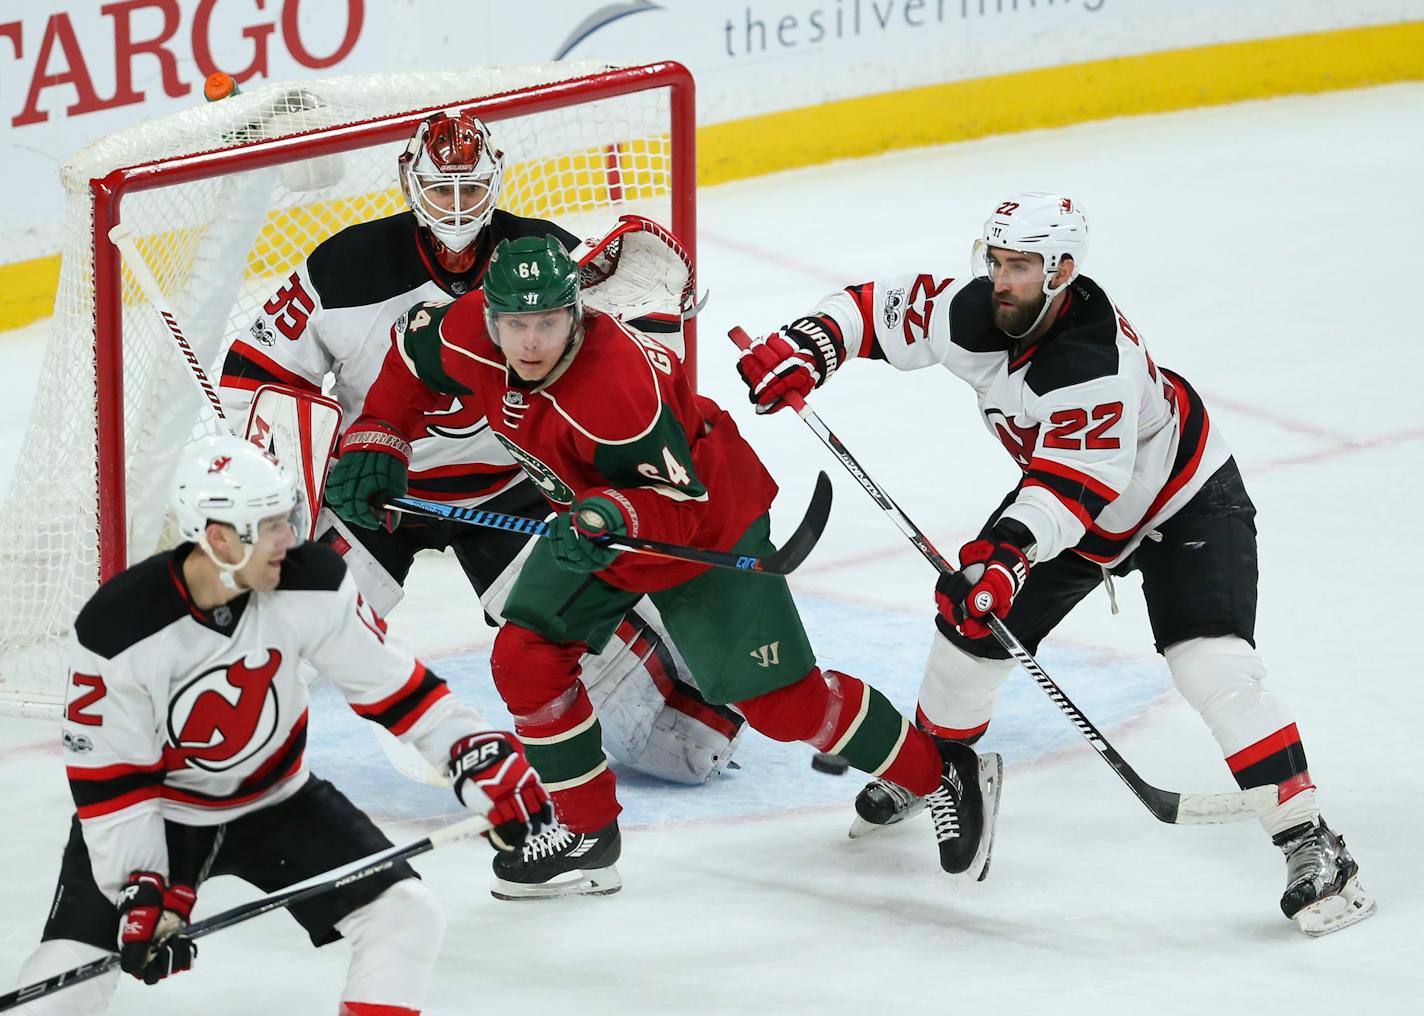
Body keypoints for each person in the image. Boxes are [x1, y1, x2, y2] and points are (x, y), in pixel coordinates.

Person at [734, 191, 1375, 937]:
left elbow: (1073, 491)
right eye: (996, 259)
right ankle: (942, 768)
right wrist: (809, 343)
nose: (1001, 279)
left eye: (1021, 266)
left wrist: (1006, 558)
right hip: (1073, 506)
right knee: (967, 633)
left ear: (1063, 270)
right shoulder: (974, 311)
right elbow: (876, 309)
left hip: (1183, 500)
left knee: (1213, 665)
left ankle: (1311, 840)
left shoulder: (1091, 361)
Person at [322, 235, 1003, 900]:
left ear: (577, 314)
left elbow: (681, 505)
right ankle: (587, 835)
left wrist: (618, 516)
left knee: (778, 703)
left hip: (700, 524)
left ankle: (937, 772)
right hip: (594, 519)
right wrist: (378, 435)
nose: (531, 342)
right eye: (517, 324)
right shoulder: (470, 332)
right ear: (491, 317)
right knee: (527, 654)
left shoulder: (619, 394)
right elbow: (412, 359)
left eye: (550, 323)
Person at [218, 109, 743, 787]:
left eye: (472, 191)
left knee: (687, 744)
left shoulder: (548, 260)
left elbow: (616, 376)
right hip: (377, 494)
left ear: (495, 183)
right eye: (443, 191)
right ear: (411, 184)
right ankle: (215, 757)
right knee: (272, 629)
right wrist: (289, 484)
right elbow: (254, 377)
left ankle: (702, 671)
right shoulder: (344, 267)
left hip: (510, 490)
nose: (459, 208)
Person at [13, 435, 552, 1015]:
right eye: (270, 525)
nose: (289, 538)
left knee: (404, 915)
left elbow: (395, 688)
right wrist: (142, 886)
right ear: (219, 538)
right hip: (159, 815)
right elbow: (111, 779)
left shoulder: (310, 581)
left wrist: (474, 752)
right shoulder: (119, 626)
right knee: (66, 978)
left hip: (280, 801)